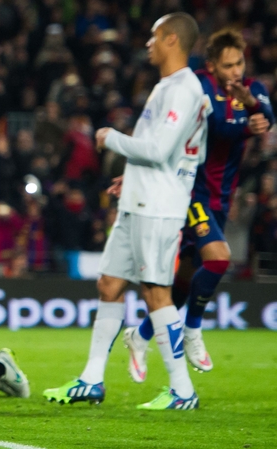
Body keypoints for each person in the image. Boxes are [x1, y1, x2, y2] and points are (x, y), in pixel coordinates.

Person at [43, 13, 207, 410]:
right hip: (140, 199)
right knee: (110, 284)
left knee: (156, 292)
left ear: (171, 40)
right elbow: (181, 150)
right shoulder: (168, 87)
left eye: (154, 37)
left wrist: (110, 137)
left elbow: (158, 150)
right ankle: (92, 379)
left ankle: (183, 390)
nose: (147, 44)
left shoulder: (184, 89)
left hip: (160, 206)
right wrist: (128, 179)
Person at [122, 29, 274, 379]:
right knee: (219, 258)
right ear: (211, 66)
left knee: (185, 283)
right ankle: (192, 328)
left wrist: (251, 106)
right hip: (191, 190)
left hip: (222, 196)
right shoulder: (198, 86)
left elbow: (267, 115)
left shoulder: (253, 88)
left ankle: (140, 335)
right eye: (228, 65)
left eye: (240, 63)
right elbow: (220, 128)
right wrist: (249, 120)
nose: (236, 71)